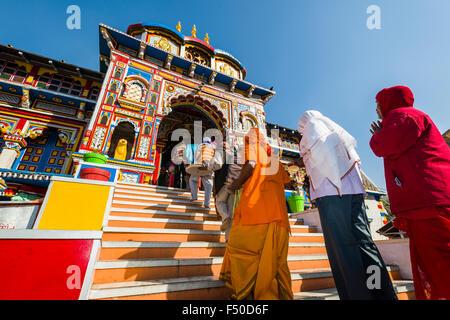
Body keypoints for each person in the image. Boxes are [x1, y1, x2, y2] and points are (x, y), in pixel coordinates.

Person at [297, 110, 397, 300]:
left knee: (343, 249)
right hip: (354, 192)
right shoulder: (335, 133)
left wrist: (303, 161)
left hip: (333, 194)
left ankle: (358, 295)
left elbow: (318, 157)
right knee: (365, 244)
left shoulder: (313, 129)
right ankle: (381, 293)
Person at [369, 85, 450, 300]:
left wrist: (378, 136)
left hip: (428, 201)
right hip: (429, 198)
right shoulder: (405, 117)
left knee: (440, 263)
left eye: (379, 104)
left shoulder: (402, 116)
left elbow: (382, 146)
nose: (377, 110)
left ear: (389, 102)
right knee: (433, 262)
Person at [219, 128, 293, 300]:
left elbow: (251, 164)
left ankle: (244, 294)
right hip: (280, 221)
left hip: (256, 214)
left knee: (239, 249)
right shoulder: (275, 160)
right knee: (277, 262)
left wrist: (236, 184)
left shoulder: (252, 146)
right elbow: (287, 184)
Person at [214, 142, 242, 240]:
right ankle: (228, 239)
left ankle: (225, 217)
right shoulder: (239, 156)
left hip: (225, 182)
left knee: (219, 201)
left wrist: (208, 167)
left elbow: (217, 164)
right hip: (236, 185)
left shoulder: (221, 151)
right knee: (231, 211)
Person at [189, 137, 216, 208]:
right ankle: (207, 203)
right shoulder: (213, 147)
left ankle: (194, 196)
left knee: (193, 180)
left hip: (200, 166)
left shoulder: (200, 146)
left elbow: (196, 156)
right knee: (208, 186)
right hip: (209, 167)